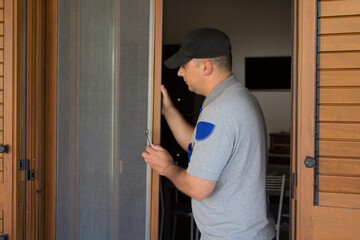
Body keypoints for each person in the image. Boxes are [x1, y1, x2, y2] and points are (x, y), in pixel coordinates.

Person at [142, 27, 275, 240]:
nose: (179, 73)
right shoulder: (239, 98)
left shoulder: (220, 111)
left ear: (205, 66)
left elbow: (198, 187)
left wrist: (166, 167)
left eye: (184, 66)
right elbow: (202, 149)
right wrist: (168, 111)